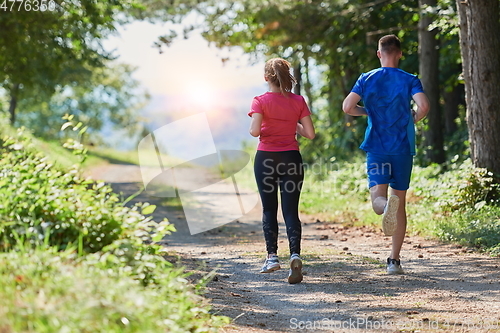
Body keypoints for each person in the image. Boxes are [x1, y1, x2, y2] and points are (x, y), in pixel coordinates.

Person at [342, 34, 430, 275]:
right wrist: (412, 118)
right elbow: (423, 106)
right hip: (402, 149)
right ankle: (394, 261)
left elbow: (348, 107)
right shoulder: (410, 79)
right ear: (400, 53)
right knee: (400, 203)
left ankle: (384, 205)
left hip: (377, 148)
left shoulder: (366, 78)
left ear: (379, 53)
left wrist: (367, 111)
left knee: (378, 200)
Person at [248, 58, 315, 284]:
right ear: (287, 78)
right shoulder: (298, 101)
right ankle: (295, 254)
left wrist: (266, 122)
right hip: (291, 159)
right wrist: (290, 122)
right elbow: (310, 133)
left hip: (266, 158)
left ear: (266, 78)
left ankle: (272, 257)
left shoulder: (260, 101)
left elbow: (255, 131)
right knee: (290, 210)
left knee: (269, 208)